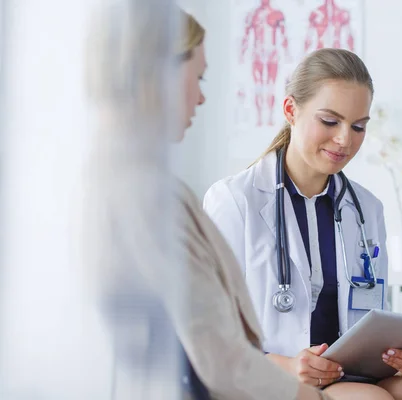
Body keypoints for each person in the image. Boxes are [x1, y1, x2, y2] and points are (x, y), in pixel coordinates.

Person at [84, 1, 333, 399]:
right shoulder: (145, 195)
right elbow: (222, 361)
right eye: (196, 78)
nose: (200, 99)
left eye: (358, 126)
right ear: (157, 73)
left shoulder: (128, 180)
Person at [203, 48, 402, 400]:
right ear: (291, 110)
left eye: (358, 126)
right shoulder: (234, 200)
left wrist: (401, 357)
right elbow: (208, 332)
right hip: (268, 373)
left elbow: (372, 316)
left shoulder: (366, 207)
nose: (345, 140)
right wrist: (285, 365)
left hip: (348, 372)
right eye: (330, 121)